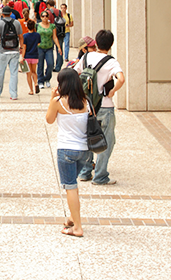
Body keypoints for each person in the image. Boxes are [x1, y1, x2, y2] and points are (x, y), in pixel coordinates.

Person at [74, 30, 125, 185]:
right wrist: (112, 91)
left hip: (87, 105)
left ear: (96, 42)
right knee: (107, 140)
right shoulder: (111, 62)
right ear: (111, 45)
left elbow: (74, 73)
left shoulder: (86, 57)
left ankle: (85, 172)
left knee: (88, 135)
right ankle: (100, 176)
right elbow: (121, 79)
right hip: (105, 107)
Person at [45, 68, 91, 238]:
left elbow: (49, 120)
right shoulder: (86, 101)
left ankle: (77, 227)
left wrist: (51, 99)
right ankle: (72, 217)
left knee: (70, 187)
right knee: (74, 186)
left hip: (66, 150)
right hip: (84, 151)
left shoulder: (59, 101)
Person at [0, 6, 26, 100]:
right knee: (14, 72)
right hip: (14, 50)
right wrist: (20, 47)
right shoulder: (16, 22)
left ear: (3, 13)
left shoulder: (0, 23)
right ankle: (13, 94)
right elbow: (21, 36)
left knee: (0, 72)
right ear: (10, 13)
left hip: (3, 50)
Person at [36, 10, 61, 89]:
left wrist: (59, 47)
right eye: (43, 16)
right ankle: (40, 81)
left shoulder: (52, 26)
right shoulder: (37, 25)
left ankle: (47, 78)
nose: (45, 18)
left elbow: (54, 37)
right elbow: (34, 35)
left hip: (49, 48)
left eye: (46, 16)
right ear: (41, 17)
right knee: (40, 65)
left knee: (50, 64)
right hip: (40, 48)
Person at [23, 20, 41, 94]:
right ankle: (36, 83)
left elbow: (24, 47)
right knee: (34, 72)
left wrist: (22, 56)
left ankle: (31, 90)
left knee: (28, 74)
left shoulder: (25, 36)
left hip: (27, 56)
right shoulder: (37, 35)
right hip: (35, 55)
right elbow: (39, 44)